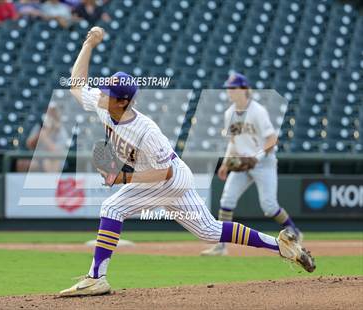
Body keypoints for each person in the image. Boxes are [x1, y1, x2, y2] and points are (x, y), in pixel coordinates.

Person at [59, 27, 315, 297]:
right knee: (208, 230)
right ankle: (282, 246)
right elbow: (77, 83)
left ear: (123, 101)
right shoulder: (103, 105)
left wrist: (122, 178)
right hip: (167, 177)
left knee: (112, 207)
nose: (101, 94)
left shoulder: (146, 130)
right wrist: (89, 44)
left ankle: (96, 277)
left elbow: (164, 172)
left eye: (108, 92)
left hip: (168, 177)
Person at [201, 73, 303, 256]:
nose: (230, 91)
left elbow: (272, 140)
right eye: (228, 88)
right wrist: (225, 164)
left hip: (264, 164)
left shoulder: (257, 111)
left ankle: (294, 231)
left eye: (233, 88)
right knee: (226, 201)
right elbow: (233, 141)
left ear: (244, 89)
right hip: (241, 164)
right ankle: (221, 246)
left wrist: (257, 157)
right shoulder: (230, 113)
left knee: (269, 206)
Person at [16, 105, 69, 172]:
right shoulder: (40, 126)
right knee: (22, 163)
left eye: (52, 114)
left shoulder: (61, 131)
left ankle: (50, 182)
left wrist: (45, 138)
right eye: (49, 114)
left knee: (47, 162)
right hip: (38, 158)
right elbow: (29, 144)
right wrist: (40, 134)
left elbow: (56, 152)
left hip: (55, 159)